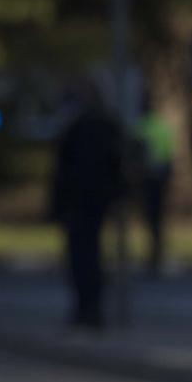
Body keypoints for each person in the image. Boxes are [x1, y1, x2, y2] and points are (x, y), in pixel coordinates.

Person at [48, 80, 124, 331]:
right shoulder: (104, 125)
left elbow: (65, 170)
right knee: (86, 256)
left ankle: (88, 309)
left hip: (83, 202)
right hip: (93, 201)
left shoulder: (80, 126)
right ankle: (89, 309)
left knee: (83, 257)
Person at [134, 110, 175, 277]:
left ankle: (153, 255)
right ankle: (157, 253)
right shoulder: (162, 128)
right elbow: (169, 155)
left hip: (148, 180)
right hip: (160, 179)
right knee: (157, 220)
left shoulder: (141, 128)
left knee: (151, 219)